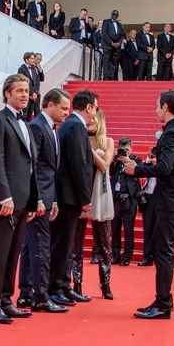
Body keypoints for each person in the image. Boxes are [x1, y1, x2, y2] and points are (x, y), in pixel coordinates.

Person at [119, 90, 174, 319]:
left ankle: (162, 304)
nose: (155, 110)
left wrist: (136, 170)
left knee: (163, 252)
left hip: (171, 199)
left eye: (157, 106)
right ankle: (163, 300)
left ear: (166, 107)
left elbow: (165, 168)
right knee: (163, 250)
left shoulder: (172, 133)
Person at [0, 74, 44, 324]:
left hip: (23, 200)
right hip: (5, 201)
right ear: (7, 93)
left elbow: (31, 166)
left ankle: (6, 300)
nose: (24, 95)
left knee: (13, 254)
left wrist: (34, 200)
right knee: (0, 254)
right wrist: (4, 196)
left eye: (26, 90)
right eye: (19, 90)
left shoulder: (26, 125)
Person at [18, 88, 70, 312]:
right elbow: (33, 167)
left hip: (47, 196)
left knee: (31, 247)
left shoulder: (50, 128)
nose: (67, 112)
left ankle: (25, 294)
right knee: (40, 246)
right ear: (50, 105)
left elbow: (51, 170)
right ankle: (40, 296)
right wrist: (37, 199)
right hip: (38, 198)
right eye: (64, 108)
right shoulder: (37, 127)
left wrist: (54, 200)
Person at [48, 89, 98, 304]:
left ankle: (63, 285)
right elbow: (80, 165)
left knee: (66, 244)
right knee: (62, 244)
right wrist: (85, 198)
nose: (95, 113)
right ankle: (55, 287)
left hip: (67, 195)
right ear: (88, 107)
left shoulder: (71, 125)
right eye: (95, 108)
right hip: (68, 196)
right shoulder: (76, 126)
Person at [77, 109, 115, 299]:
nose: (90, 122)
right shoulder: (78, 139)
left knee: (104, 244)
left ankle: (105, 284)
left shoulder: (108, 142)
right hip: (80, 196)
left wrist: (89, 150)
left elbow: (104, 165)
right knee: (76, 245)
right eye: (88, 119)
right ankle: (76, 284)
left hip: (100, 196)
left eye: (93, 119)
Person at [110, 137, 142, 266]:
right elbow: (108, 171)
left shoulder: (136, 160)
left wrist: (127, 160)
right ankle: (116, 255)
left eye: (127, 148)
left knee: (129, 230)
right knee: (115, 229)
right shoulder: (115, 160)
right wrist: (112, 158)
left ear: (131, 148)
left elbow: (139, 172)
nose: (124, 151)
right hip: (116, 198)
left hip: (130, 199)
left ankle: (127, 256)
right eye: (122, 148)